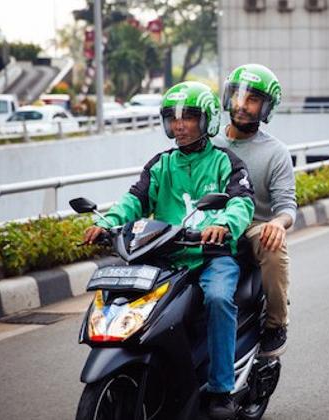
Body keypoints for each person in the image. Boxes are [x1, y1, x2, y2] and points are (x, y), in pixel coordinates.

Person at [82, 81, 254, 419]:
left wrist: (224, 226)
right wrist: (108, 223)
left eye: (188, 117)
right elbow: (134, 200)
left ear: (207, 121)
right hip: (164, 257)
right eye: (173, 118)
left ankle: (221, 391)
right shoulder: (161, 165)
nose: (179, 125)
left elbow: (241, 203)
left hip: (211, 258)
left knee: (219, 298)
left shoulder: (225, 162)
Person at [213, 64, 296, 358]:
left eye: (252, 99)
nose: (242, 105)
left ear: (266, 107)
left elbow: (287, 206)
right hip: (207, 224)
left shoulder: (276, 153)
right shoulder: (208, 142)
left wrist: (277, 223)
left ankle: (276, 323)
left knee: (271, 241)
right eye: (238, 96)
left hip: (252, 226)